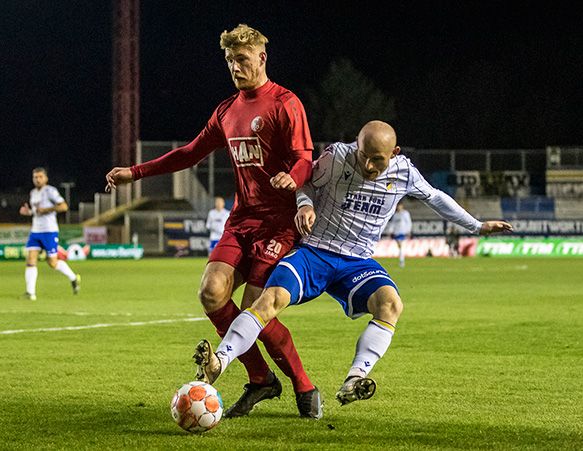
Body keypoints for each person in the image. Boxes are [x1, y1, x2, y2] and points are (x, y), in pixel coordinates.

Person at [194, 120, 513, 407]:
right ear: (356, 147)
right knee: (268, 300)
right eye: (364, 155)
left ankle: (354, 380)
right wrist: (304, 205)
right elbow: (305, 180)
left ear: (395, 153)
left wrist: (477, 226)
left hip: (356, 262)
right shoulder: (337, 157)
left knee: (390, 305)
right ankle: (219, 362)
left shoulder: (404, 172)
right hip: (314, 253)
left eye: (378, 159)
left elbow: (435, 197)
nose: (369, 165)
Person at [105, 24, 321, 418]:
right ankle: (260, 379)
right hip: (241, 221)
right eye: (229, 60)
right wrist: (134, 173)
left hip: (279, 223)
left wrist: (295, 176)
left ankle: (303, 384)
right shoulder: (226, 111)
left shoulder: (285, 103)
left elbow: (305, 156)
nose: (236, 67)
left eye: (242, 59)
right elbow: (188, 154)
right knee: (211, 293)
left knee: (255, 311)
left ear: (261, 57)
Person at [19, 167, 81, 301]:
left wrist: (47, 209)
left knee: (52, 263)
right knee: (31, 259)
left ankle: (73, 278)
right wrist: (28, 212)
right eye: (35, 177)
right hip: (36, 231)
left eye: (40, 177)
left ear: (46, 178)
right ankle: (30, 293)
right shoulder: (33, 193)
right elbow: (36, 211)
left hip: (49, 230)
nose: (37, 179)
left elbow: (64, 206)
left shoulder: (50, 191)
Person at [387, 202, 412, 267]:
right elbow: (392, 223)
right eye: (397, 206)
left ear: (402, 206)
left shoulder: (405, 213)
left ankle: (401, 261)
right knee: (399, 247)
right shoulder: (395, 215)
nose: (398, 207)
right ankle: (401, 259)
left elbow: (408, 222)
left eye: (399, 206)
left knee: (401, 246)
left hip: (403, 232)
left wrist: (408, 231)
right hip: (396, 233)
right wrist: (390, 231)